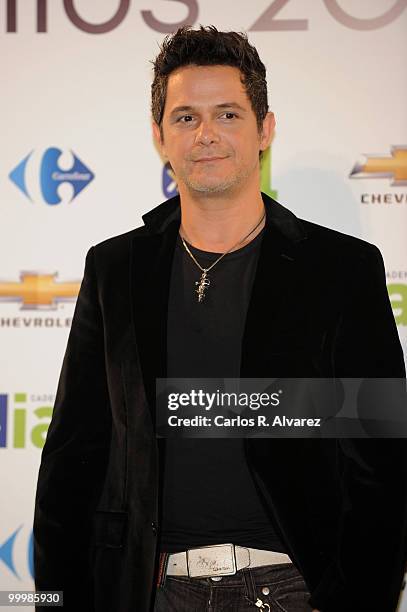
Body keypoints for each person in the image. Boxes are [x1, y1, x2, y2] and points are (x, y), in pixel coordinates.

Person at [33, 25, 407, 612]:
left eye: (228, 114)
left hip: (295, 591)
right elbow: (71, 462)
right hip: (151, 593)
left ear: (265, 129)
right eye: (185, 117)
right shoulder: (114, 269)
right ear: (159, 136)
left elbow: (383, 467)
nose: (206, 133)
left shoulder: (342, 269)